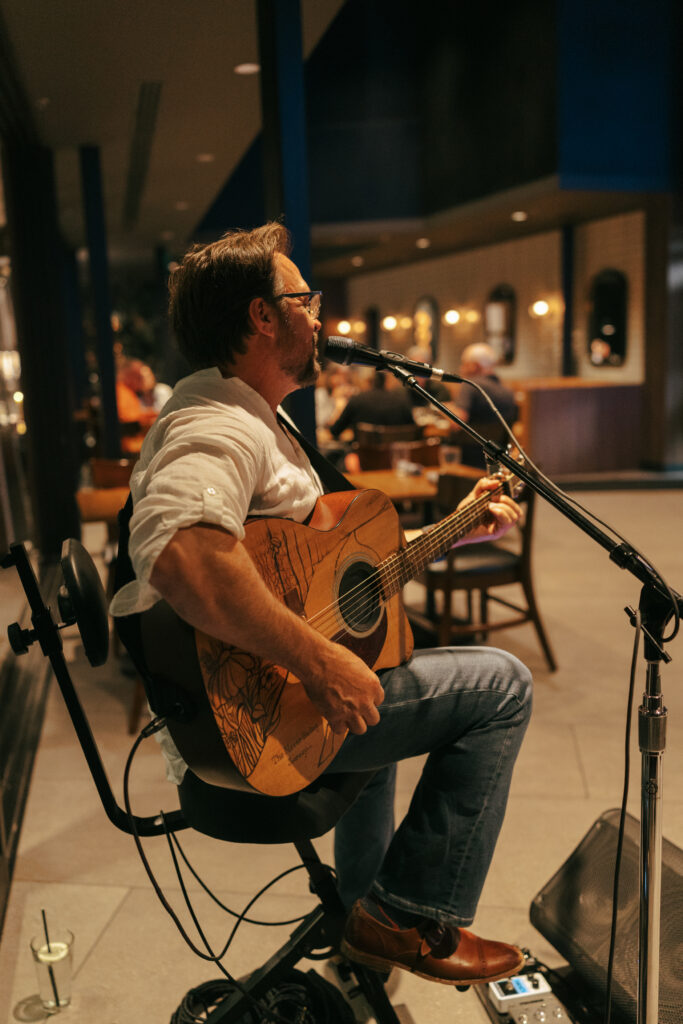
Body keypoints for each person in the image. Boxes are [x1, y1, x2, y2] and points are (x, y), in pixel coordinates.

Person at [111, 223, 532, 988]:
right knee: (502, 684)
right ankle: (408, 914)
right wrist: (316, 660)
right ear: (262, 317)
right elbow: (182, 555)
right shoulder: (213, 422)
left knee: (385, 664)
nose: (318, 316)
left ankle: (364, 917)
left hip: (283, 699)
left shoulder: (263, 421)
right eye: (304, 299)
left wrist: (461, 526)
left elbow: (343, 570)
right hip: (264, 716)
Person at [450, 342, 518, 468]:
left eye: (464, 364)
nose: (461, 369)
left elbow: (457, 422)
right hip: (498, 460)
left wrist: (444, 409)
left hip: (469, 460)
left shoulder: (471, 385)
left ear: (474, 366)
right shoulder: (507, 391)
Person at [328, 367, 415, 439]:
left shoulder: (357, 400)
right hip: (395, 453)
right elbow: (413, 431)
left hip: (362, 454)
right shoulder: (401, 402)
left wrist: (338, 407)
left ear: (370, 381)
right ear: (387, 381)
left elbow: (335, 431)